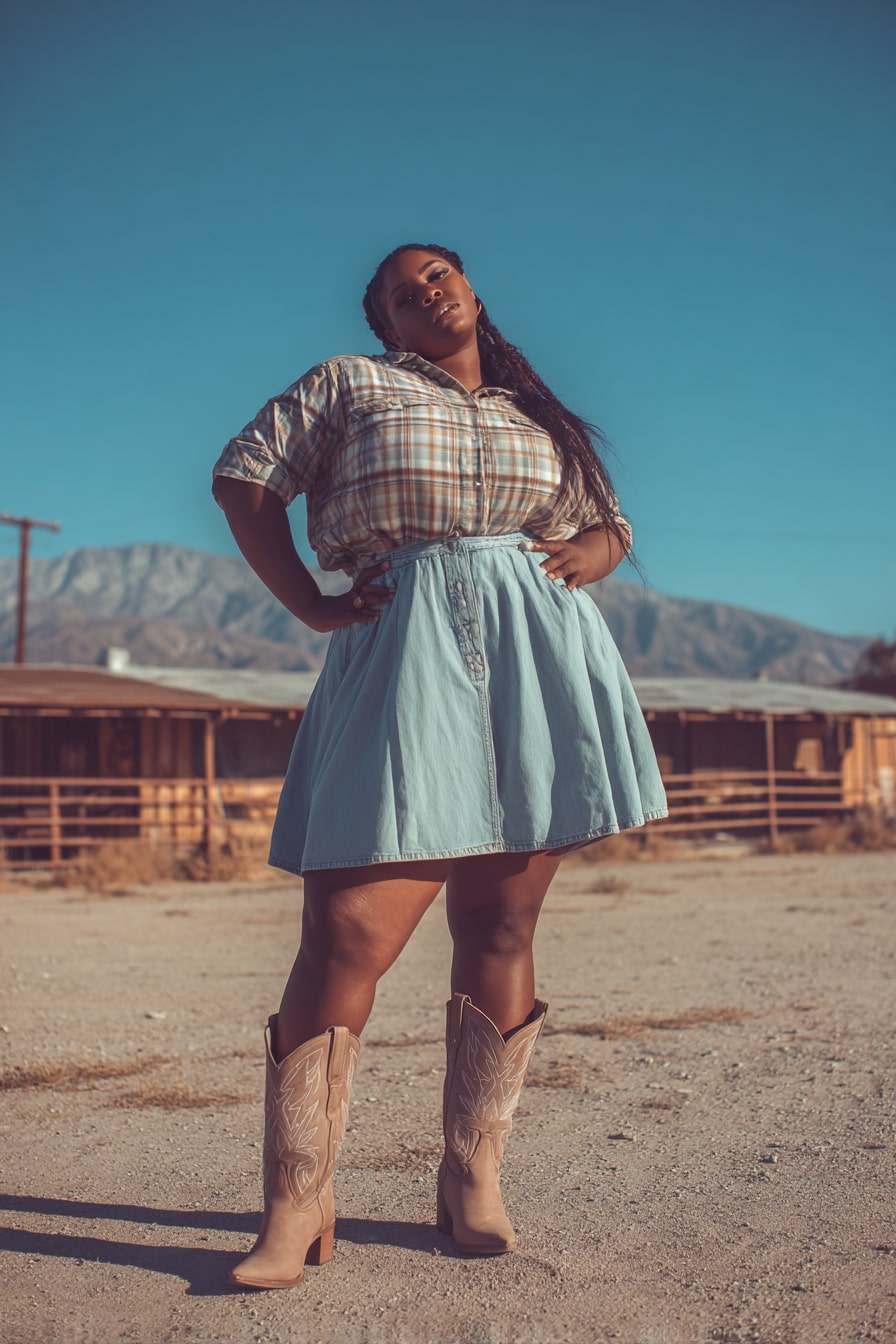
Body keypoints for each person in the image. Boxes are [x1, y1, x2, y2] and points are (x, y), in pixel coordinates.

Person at [212, 243, 667, 1290]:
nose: (428, 286)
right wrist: (311, 606)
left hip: (534, 654)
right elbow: (244, 483)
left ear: (470, 292)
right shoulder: (351, 384)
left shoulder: (532, 415)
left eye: (440, 272)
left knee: (500, 922)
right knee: (346, 931)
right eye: (402, 288)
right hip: (401, 644)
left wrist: (596, 551)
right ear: (387, 325)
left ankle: (471, 1178)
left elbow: (598, 522)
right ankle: (298, 1200)